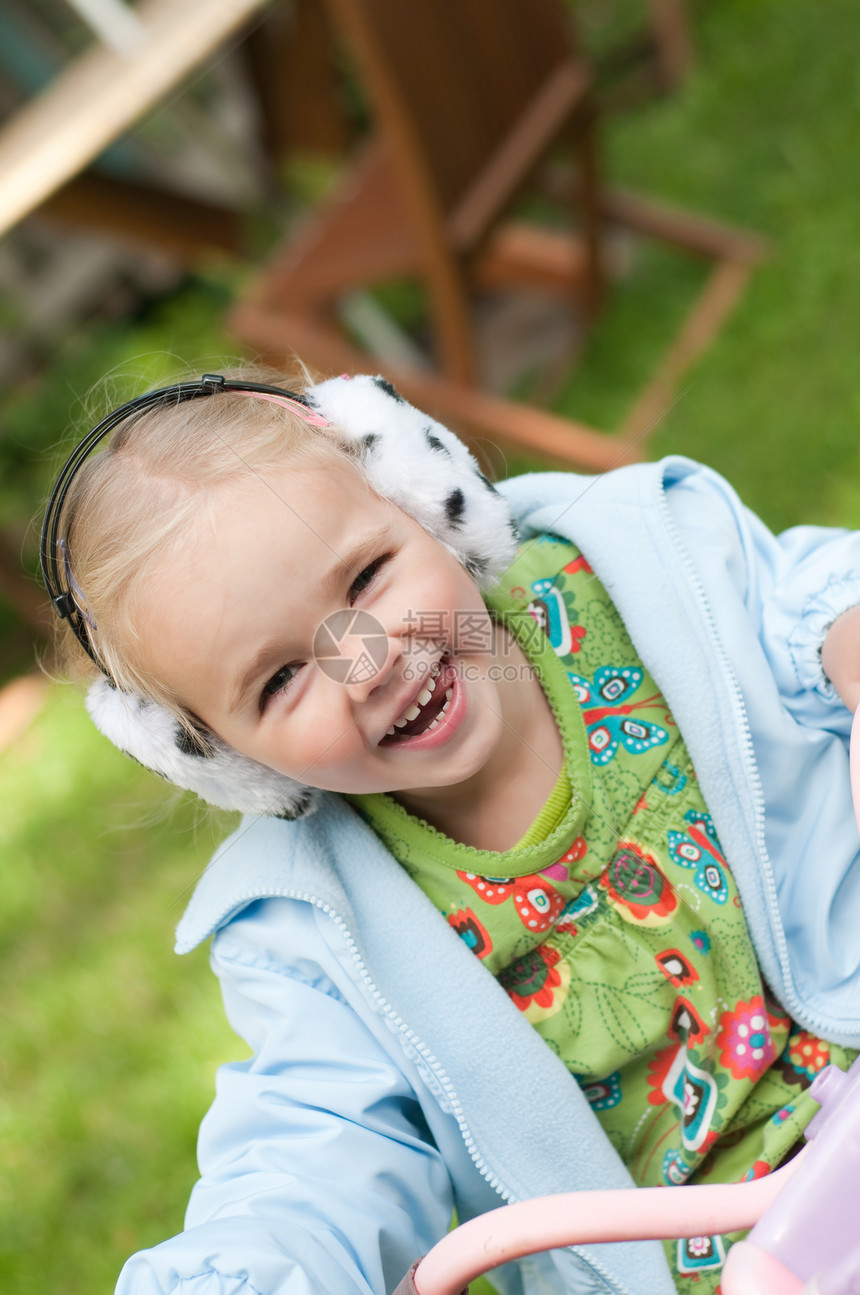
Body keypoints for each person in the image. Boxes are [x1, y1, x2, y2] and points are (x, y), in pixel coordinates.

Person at [42, 367, 860, 1295]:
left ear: (427, 500)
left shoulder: (647, 572)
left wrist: (841, 633)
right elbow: (315, 1151)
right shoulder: (319, 933)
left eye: (366, 575)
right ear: (222, 756)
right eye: (278, 681)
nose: (366, 660)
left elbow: (801, 599)